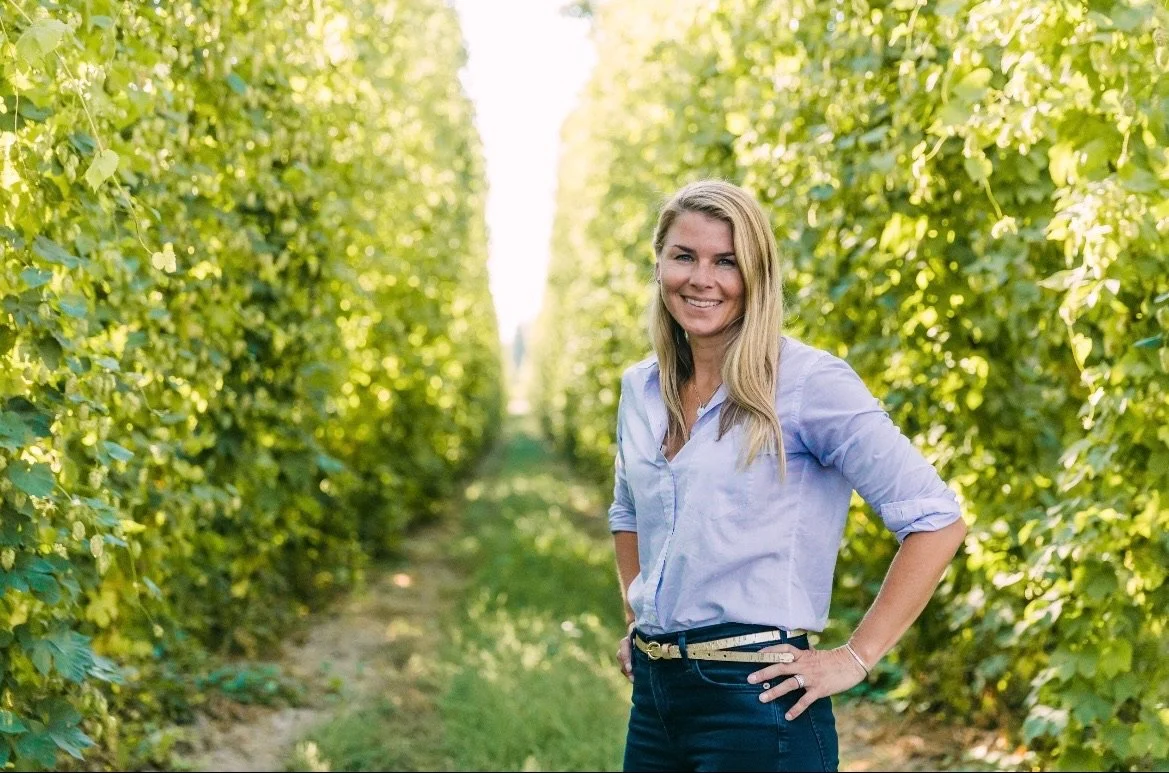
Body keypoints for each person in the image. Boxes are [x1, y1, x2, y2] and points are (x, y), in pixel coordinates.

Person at [608, 179, 968, 772]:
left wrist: (855, 657)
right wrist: (642, 619)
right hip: (654, 701)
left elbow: (935, 520)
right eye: (684, 256)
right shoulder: (640, 388)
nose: (702, 278)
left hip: (758, 702)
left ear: (758, 275)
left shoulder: (807, 384)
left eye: (727, 261)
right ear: (659, 264)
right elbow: (628, 514)